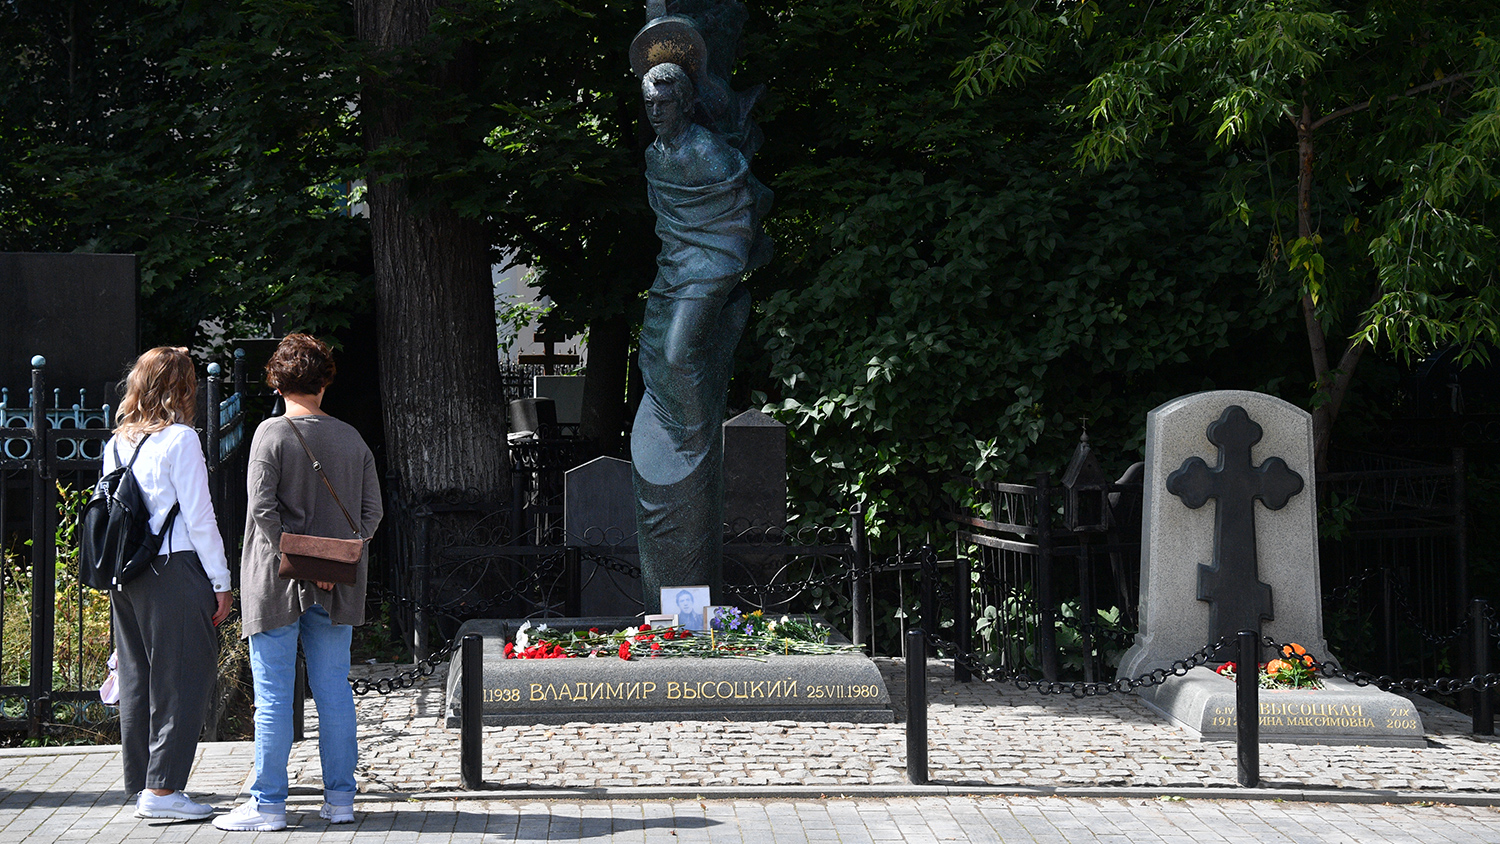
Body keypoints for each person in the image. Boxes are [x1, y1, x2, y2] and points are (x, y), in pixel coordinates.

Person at [216, 334, 382, 832]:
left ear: (275, 379)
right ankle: (340, 801)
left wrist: (303, 560)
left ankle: (268, 804)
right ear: (325, 380)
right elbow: (372, 514)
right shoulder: (353, 438)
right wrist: (333, 560)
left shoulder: (272, 433)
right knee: (334, 692)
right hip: (338, 584)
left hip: (276, 583)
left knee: (272, 696)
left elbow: (261, 510)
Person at [631, 61, 773, 612]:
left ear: (686, 103)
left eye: (664, 103)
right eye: (649, 104)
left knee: (679, 351)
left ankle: (690, 430)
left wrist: (716, 275)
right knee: (653, 356)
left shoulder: (709, 151)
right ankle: (676, 425)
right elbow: (668, 220)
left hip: (712, 264)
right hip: (675, 268)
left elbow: (738, 217)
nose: (655, 112)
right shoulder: (654, 155)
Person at [105, 346, 233, 821]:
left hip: (128, 575)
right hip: (172, 569)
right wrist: (221, 581)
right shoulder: (180, 439)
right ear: (182, 386)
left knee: (137, 679)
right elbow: (200, 518)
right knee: (181, 680)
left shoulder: (117, 441)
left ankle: (143, 784)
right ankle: (162, 795)